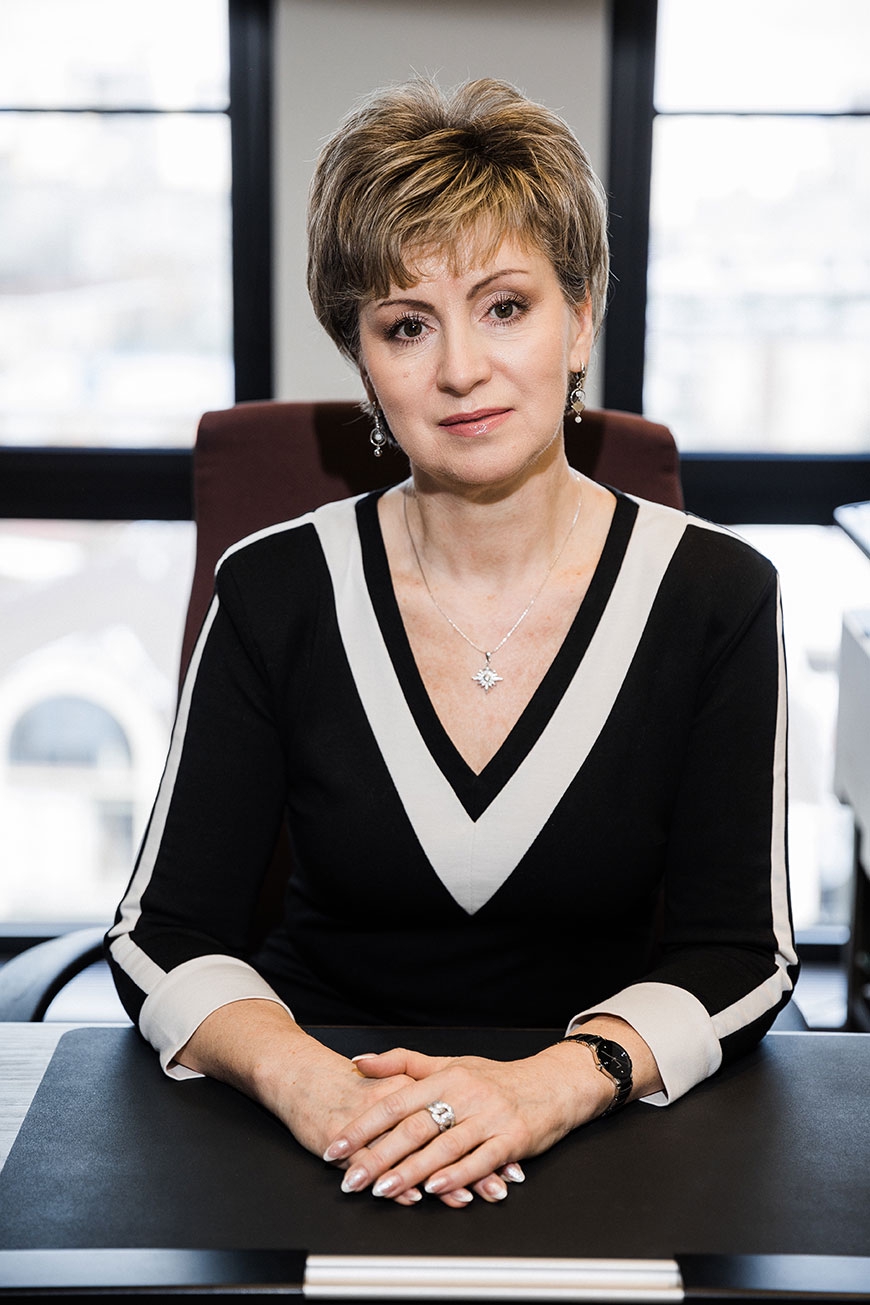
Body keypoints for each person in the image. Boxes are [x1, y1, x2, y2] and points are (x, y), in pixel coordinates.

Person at [106, 77, 799, 1209]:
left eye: (506, 307)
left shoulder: (715, 593)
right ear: (363, 363)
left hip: (600, 1129)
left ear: (581, 321)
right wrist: (315, 1086)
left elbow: (743, 952)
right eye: (406, 325)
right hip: (319, 1128)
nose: (460, 369)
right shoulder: (275, 588)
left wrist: (546, 1088)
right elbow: (163, 931)